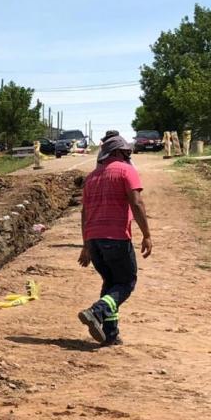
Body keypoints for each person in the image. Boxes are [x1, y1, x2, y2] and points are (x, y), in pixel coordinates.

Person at [77, 135, 152, 346]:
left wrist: (86, 245)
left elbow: (84, 213)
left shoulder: (91, 177)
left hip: (94, 240)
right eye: (126, 152)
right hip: (116, 238)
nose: (129, 154)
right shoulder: (126, 171)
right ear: (118, 153)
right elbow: (136, 203)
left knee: (111, 284)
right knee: (126, 282)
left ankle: (110, 334)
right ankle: (96, 311)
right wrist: (146, 234)